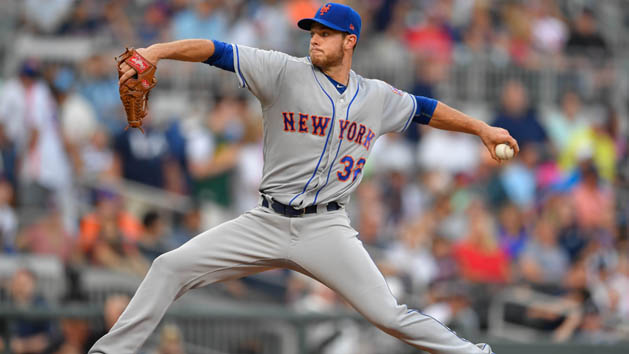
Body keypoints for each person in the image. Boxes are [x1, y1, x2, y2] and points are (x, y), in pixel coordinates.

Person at [90, 4, 518, 354]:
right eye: (312, 30)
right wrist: (158, 50)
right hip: (265, 221)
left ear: (350, 41)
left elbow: (426, 108)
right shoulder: (281, 71)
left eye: (326, 32)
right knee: (169, 266)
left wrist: (481, 128)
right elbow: (214, 50)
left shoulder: (375, 97)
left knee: (387, 314)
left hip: (326, 228)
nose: (315, 37)